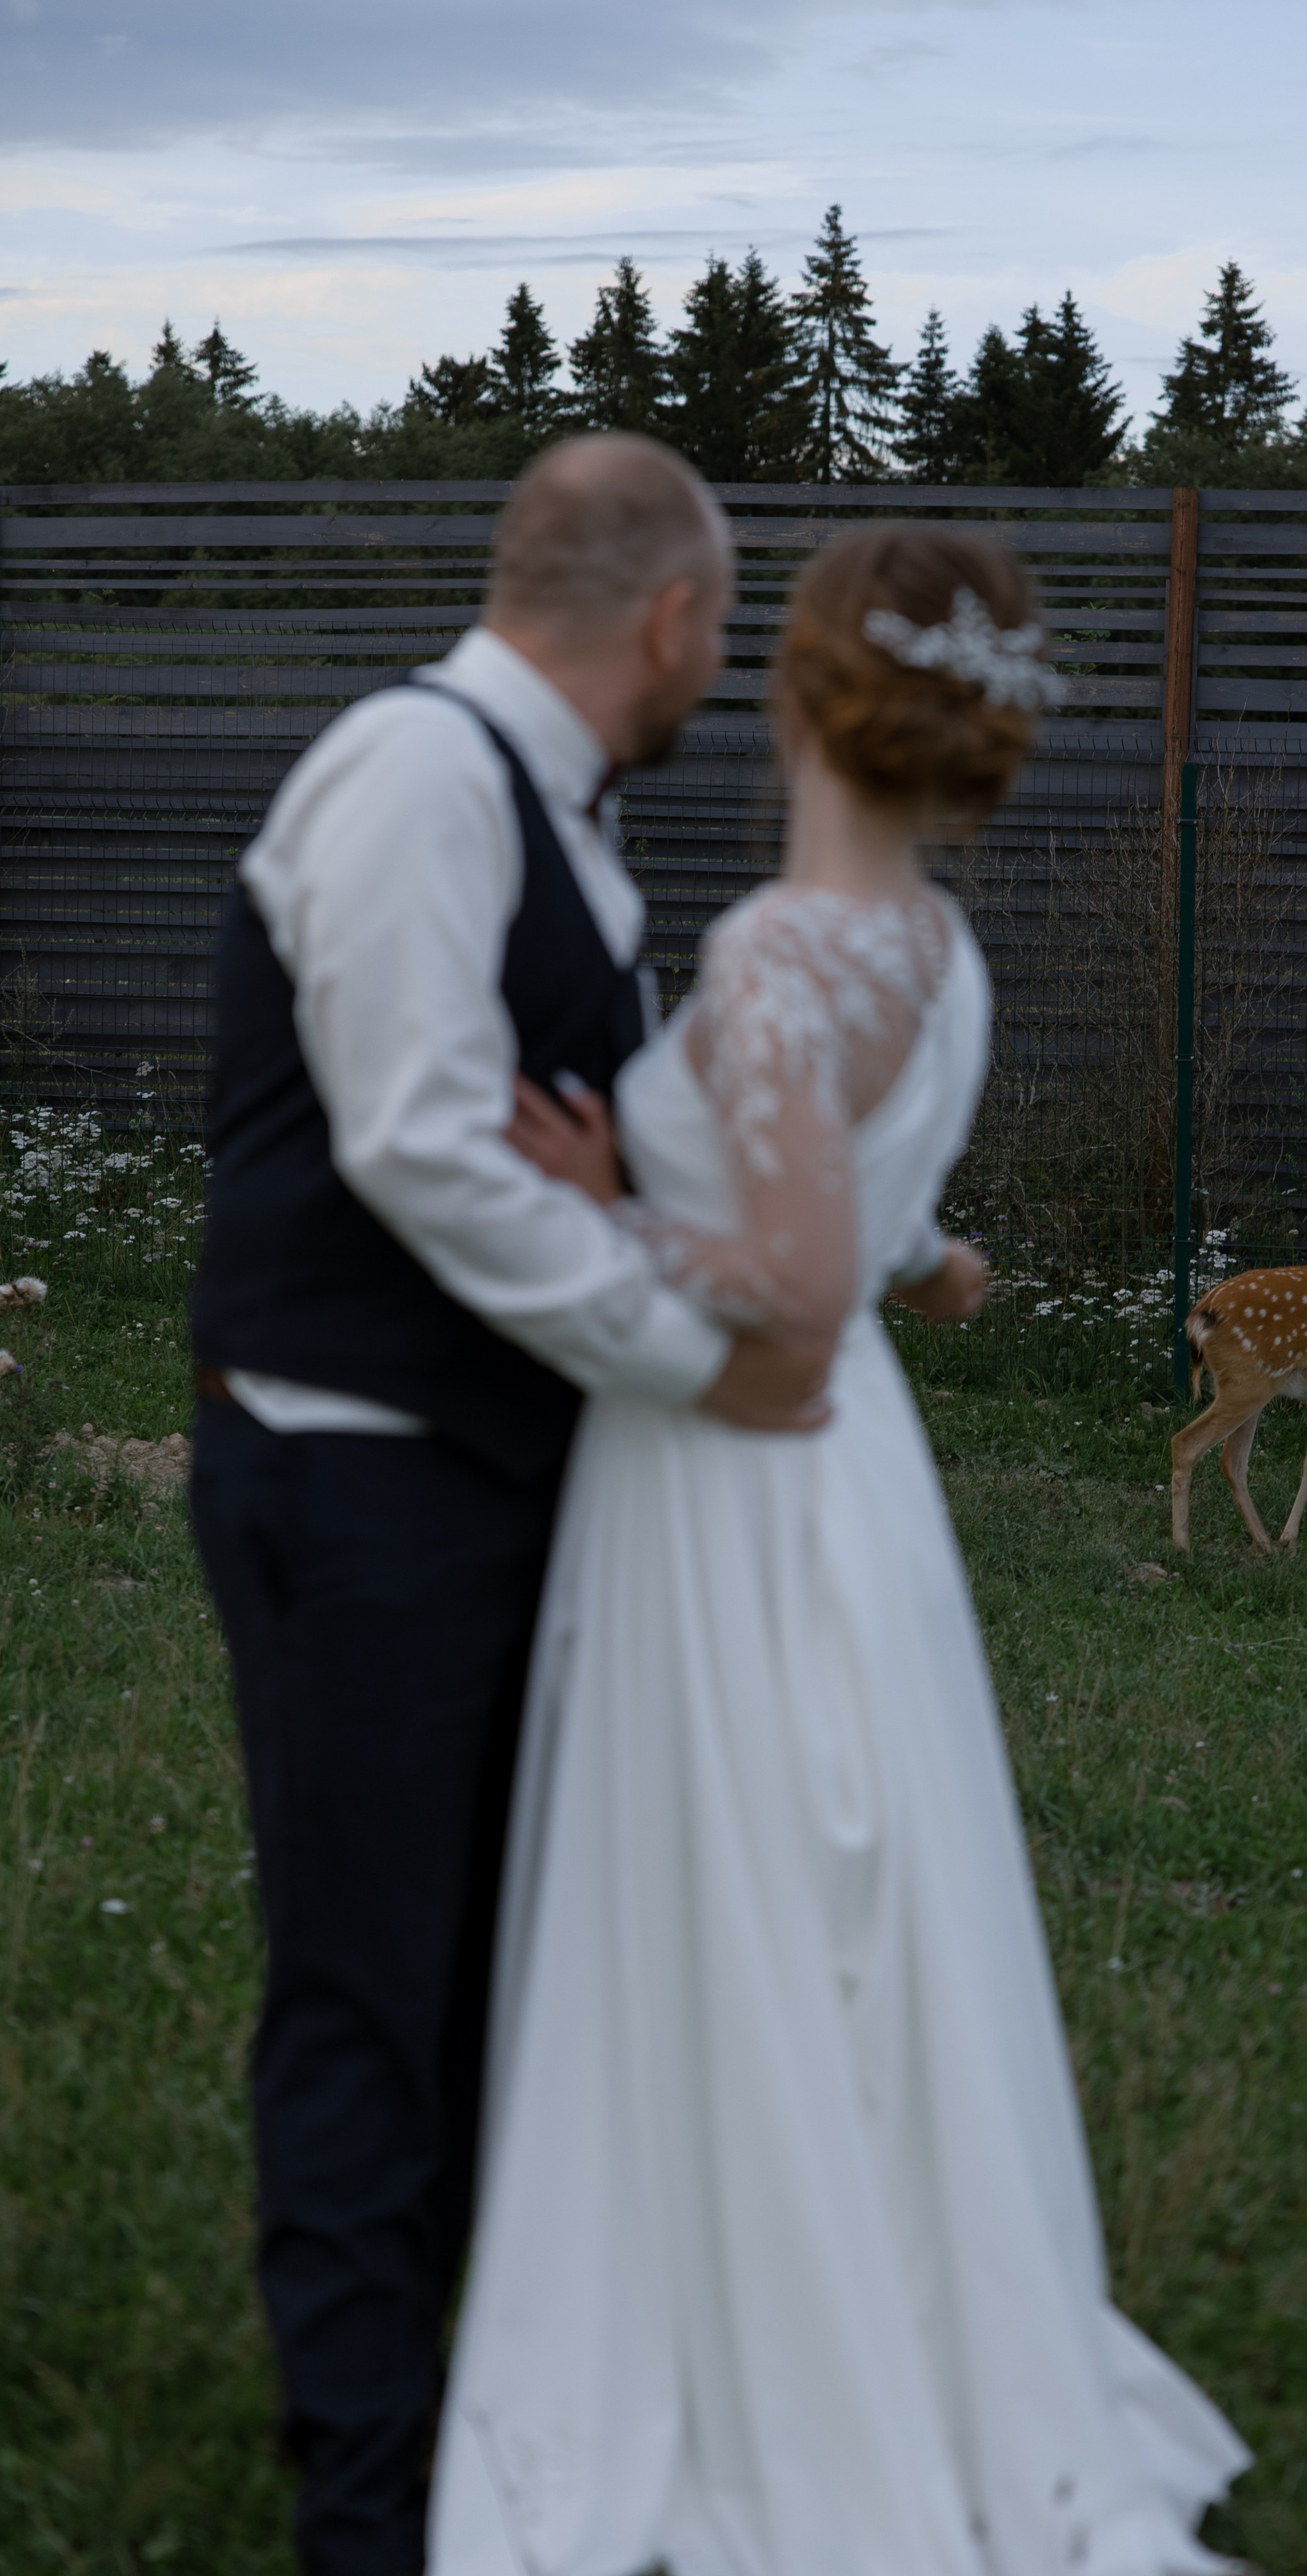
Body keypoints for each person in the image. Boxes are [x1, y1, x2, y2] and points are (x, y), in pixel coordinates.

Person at [188, 437, 987, 2576]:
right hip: (355, 1477)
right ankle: (369, 2516)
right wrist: (699, 1354)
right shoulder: (417, 775)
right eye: (723, 626)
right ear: (668, 620)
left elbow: (658, 1131)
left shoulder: (566, 823)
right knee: (367, 1993)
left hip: (513, 1494)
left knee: (491, 1982)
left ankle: (523, 2410)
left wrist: (875, 1247)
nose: (725, 669)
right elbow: (428, 1144)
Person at [430, 526, 1249, 2576]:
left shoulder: (792, 952)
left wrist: (611, 1197)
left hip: (744, 1465)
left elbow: (791, 1288)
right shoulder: (940, 956)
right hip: (854, 1470)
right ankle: (870, 2300)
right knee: (836, 1874)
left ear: (797, 697)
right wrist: (888, 1248)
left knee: (735, 1868)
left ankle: (749, 2342)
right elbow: (924, 1263)